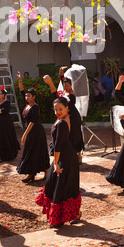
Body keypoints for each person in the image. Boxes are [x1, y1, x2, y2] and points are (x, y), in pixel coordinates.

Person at [35, 96, 81, 228]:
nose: (58, 112)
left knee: (63, 186)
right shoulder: (64, 119)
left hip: (65, 159)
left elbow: (58, 145)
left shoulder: (62, 123)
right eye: (55, 110)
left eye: (60, 109)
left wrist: (55, 163)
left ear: (67, 108)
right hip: (65, 158)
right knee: (60, 185)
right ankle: (70, 215)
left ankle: (69, 216)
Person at [16, 71, 50, 183]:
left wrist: (24, 135)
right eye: (26, 95)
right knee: (30, 151)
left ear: (34, 97)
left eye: (29, 96)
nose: (26, 97)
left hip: (36, 132)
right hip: (31, 131)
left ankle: (46, 171)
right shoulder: (27, 105)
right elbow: (21, 90)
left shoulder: (35, 107)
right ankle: (31, 174)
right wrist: (20, 80)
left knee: (39, 151)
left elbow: (32, 122)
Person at [43, 72, 84, 163]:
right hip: (64, 115)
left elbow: (59, 99)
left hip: (73, 118)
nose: (65, 87)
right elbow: (57, 95)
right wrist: (61, 74)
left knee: (74, 135)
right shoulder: (64, 91)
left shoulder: (71, 95)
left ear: (71, 85)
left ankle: (79, 155)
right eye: (64, 85)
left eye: (67, 86)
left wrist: (50, 83)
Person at [0, 78, 20, 162]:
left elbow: (3, 110)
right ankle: (2, 155)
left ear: (3, 95)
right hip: (0, 122)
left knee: (7, 137)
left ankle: (10, 155)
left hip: (6, 123)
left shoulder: (7, 102)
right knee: (0, 137)